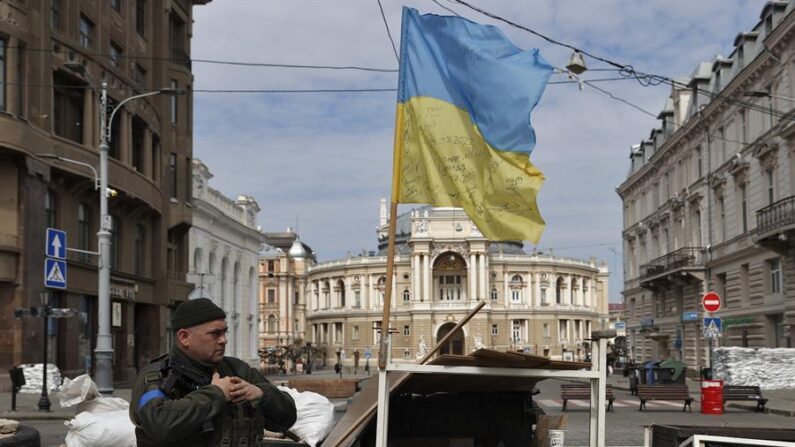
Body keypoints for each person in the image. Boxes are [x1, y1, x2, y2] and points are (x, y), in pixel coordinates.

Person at [130, 298, 297, 447]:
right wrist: (216, 394)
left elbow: (288, 417)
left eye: (224, 332)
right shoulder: (156, 376)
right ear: (184, 337)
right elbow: (158, 424)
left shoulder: (237, 370)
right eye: (215, 334)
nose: (224, 340)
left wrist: (261, 395)